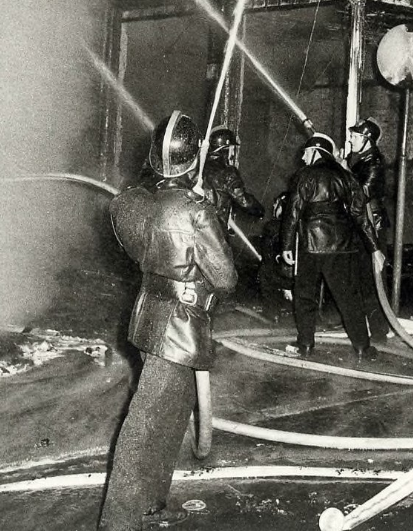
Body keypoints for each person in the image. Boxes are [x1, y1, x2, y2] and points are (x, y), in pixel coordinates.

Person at [98, 111, 237, 531]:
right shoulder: (196, 211)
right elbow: (226, 278)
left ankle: (151, 505)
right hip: (180, 326)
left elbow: (141, 241)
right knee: (145, 423)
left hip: (148, 319)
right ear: (195, 158)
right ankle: (117, 520)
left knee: (171, 416)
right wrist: (203, 211)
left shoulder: (130, 204)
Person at [280, 132, 385, 363]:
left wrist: (287, 245)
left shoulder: (304, 175)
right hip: (341, 246)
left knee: (305, 296)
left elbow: (293, 211)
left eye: (306, 152)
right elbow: (361, 216)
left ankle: (305, 343)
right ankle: (362, 347)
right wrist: (375, 248)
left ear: (317, 151)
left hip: (309, 245)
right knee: (349, 298)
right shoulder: (346, 177)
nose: (303, 157)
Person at [348, 117, 391, 342]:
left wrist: (342, 174)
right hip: (361, 226)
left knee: (373, 280)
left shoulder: (373, 162)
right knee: (361, 277)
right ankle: (367, 327)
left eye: (355, 136)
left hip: (372, 225)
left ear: (367, 139)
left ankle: (379, 331)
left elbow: (362, 194)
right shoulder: (361, 161)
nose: (351, 139)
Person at [202, 125, 265, 233]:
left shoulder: (200, 167)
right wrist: (259, 210)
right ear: (225, 149)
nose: (233, 152)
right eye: (232, 148)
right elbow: (244, 201)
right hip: (215, 232)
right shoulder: (227, 172)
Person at [258, 191, 294, 322]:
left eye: (276, 204)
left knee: (264, 272)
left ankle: (273, 313)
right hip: (301, 277)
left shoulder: (272, 226)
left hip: (282, 276)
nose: (273, 207)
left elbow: (267, 254)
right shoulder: (302, 226)